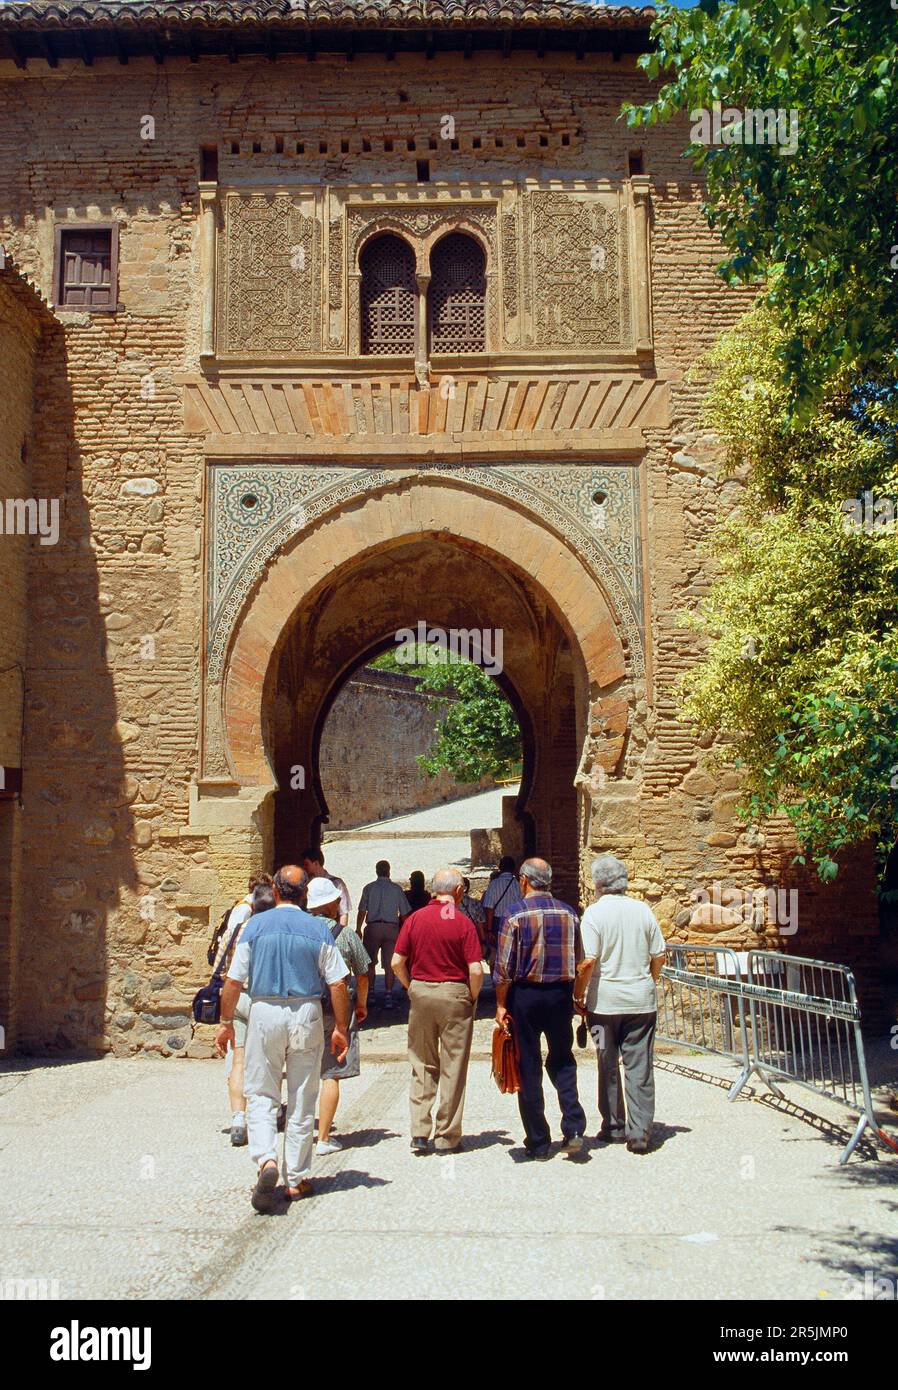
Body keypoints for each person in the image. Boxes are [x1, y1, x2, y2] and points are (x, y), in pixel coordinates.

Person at [216, 865, 351, 1212]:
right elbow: (337, 983)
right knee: (304, 1095)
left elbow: (233, 981)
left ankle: (266, 1160)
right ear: (305, 895)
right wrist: (340, 1028)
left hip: (264, 1011)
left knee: (261, 1092)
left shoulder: (255, 926)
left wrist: (226, 1021)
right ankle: (296, 1178)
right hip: (305, 1010)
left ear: (275, 892)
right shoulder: (317, 930)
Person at [494, 857, 587, 1160]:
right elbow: (579, 960)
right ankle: (573, 1127)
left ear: (523, 880)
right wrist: (576, 996)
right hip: (560, 995)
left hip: (527, 996)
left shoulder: (514, 915)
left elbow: (504, 969)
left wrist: (499, 1004)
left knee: (528, 1065)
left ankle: (539, 1141)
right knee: (562, 1059)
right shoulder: (569, 913)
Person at [575, 854, 666, 1154]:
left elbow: (588, 962)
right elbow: (659, 955)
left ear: (598, 883)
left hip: (604, 1005)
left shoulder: (594, 914)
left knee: (607, 1061)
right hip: (640, 1002)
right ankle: (639, 1132)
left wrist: (579, 996)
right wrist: (648, 981)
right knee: (639, 1065)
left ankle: (614, 1125)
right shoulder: (643, 910)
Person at [391, 867, 483, 1155]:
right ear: (458, 891)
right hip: (455, 994)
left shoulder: (416, 918)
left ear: (434, 890)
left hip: (422, 991)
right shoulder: (463, 921)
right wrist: (472, 994)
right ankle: (446, 1135)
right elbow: (476, 969)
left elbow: (396, 961)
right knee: (453, 1065)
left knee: (422, 1062)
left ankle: (419, 1132)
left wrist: (411, 987)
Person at [306, 876, 371, 1155]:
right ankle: (323, 1139)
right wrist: (362, 1004)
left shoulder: (299, 931)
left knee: (301, 1073)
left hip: (303, 1009)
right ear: (331, 903)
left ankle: (299, 1134)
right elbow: (363, 972)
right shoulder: (345, 935)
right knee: (330, 1074)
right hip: (336, 1010)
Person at [220, 873, 274, 1147]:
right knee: (269, 1059)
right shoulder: (274, 930)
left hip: (238, 995)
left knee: (239, 1060)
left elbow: (224, 960)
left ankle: (238, 1120)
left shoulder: (240, 925)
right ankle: (264, 1116)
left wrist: (224, 1012)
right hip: (265, 1000)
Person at [357, 860, 411, 1010]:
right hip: (391, 927)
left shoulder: (368, 888)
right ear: (389, 871)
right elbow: (405, 913)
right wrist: (407, 931)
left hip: (373, 926)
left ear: (376, 871)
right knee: (389, 965)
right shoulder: (396, 889)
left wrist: (358, 928)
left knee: (370, 962)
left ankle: (372, 992)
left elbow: (362, 910)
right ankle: (388, 994)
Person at [481, 855, 524, 965]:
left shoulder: (493, 885)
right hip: (514, 921)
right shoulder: (518, 885)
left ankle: (496, 979)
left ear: (500, 868)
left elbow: (489, 908)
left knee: (496, 954)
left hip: (497, 922)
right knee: (512, 951)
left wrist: (489, 929)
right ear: (514, 869)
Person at [300, 846, 352, 928]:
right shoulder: (306, 884)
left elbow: (343, 913)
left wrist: (340, 934)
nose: (304, 867)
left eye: (306, 864)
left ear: (316, 863)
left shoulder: (337, 883)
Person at [459, 876, 486, 957]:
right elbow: (480, 923)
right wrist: (483, 940)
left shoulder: (451, 905)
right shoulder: (475, 903)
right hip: (471, 937)